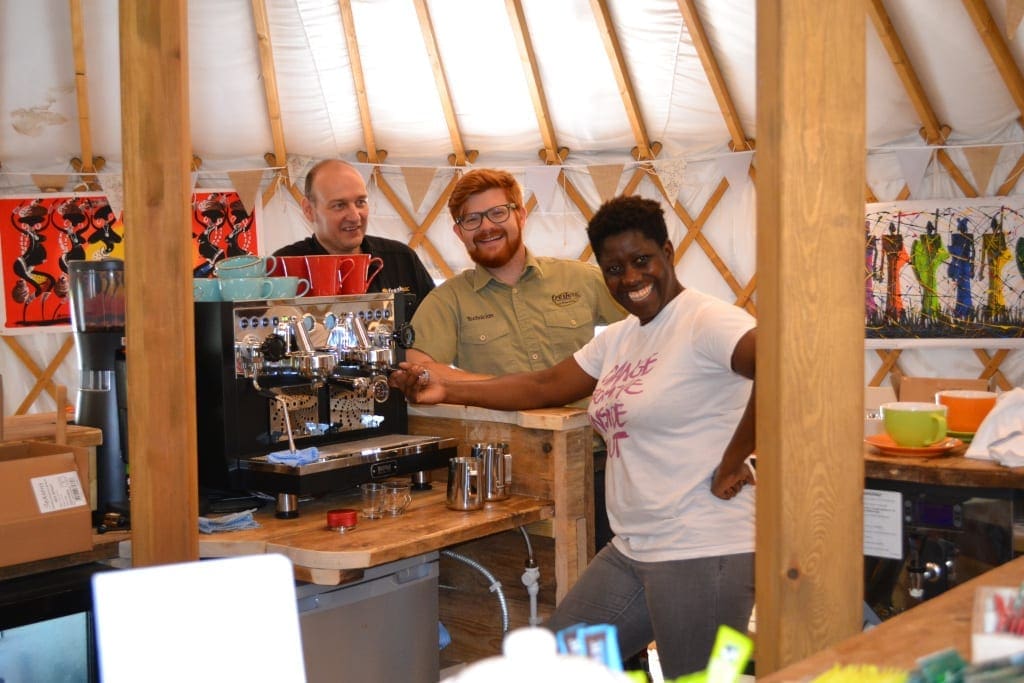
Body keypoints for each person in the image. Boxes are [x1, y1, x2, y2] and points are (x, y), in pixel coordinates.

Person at [391, 195, 757, 678]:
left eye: (641, 261)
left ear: (668, 252)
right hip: (634, 548)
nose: (629, 278)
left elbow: (782, 365)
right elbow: (543, 385)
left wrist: (736, 457)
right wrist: (448, 388)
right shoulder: (621, 338)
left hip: (701, 547)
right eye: (613, 269)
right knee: (552, 665)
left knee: (694, 678)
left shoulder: (705, 320)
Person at [406, 168, 625, 383]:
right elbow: (417, 368)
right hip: (496, 420)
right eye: (472, 219)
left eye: (498, 213)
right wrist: (501, 391)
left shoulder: (581, 278)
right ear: (459, 233)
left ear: (520, 216)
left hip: (586, 420)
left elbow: (649, 325)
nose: (487, 226)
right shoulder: (448, 301)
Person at [274, 159, 435, 309]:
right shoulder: (284, 268)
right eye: (339, 205)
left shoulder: (401, 259)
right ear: (309, 210)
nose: (354, 216)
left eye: (360, 202)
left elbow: (432, 327)